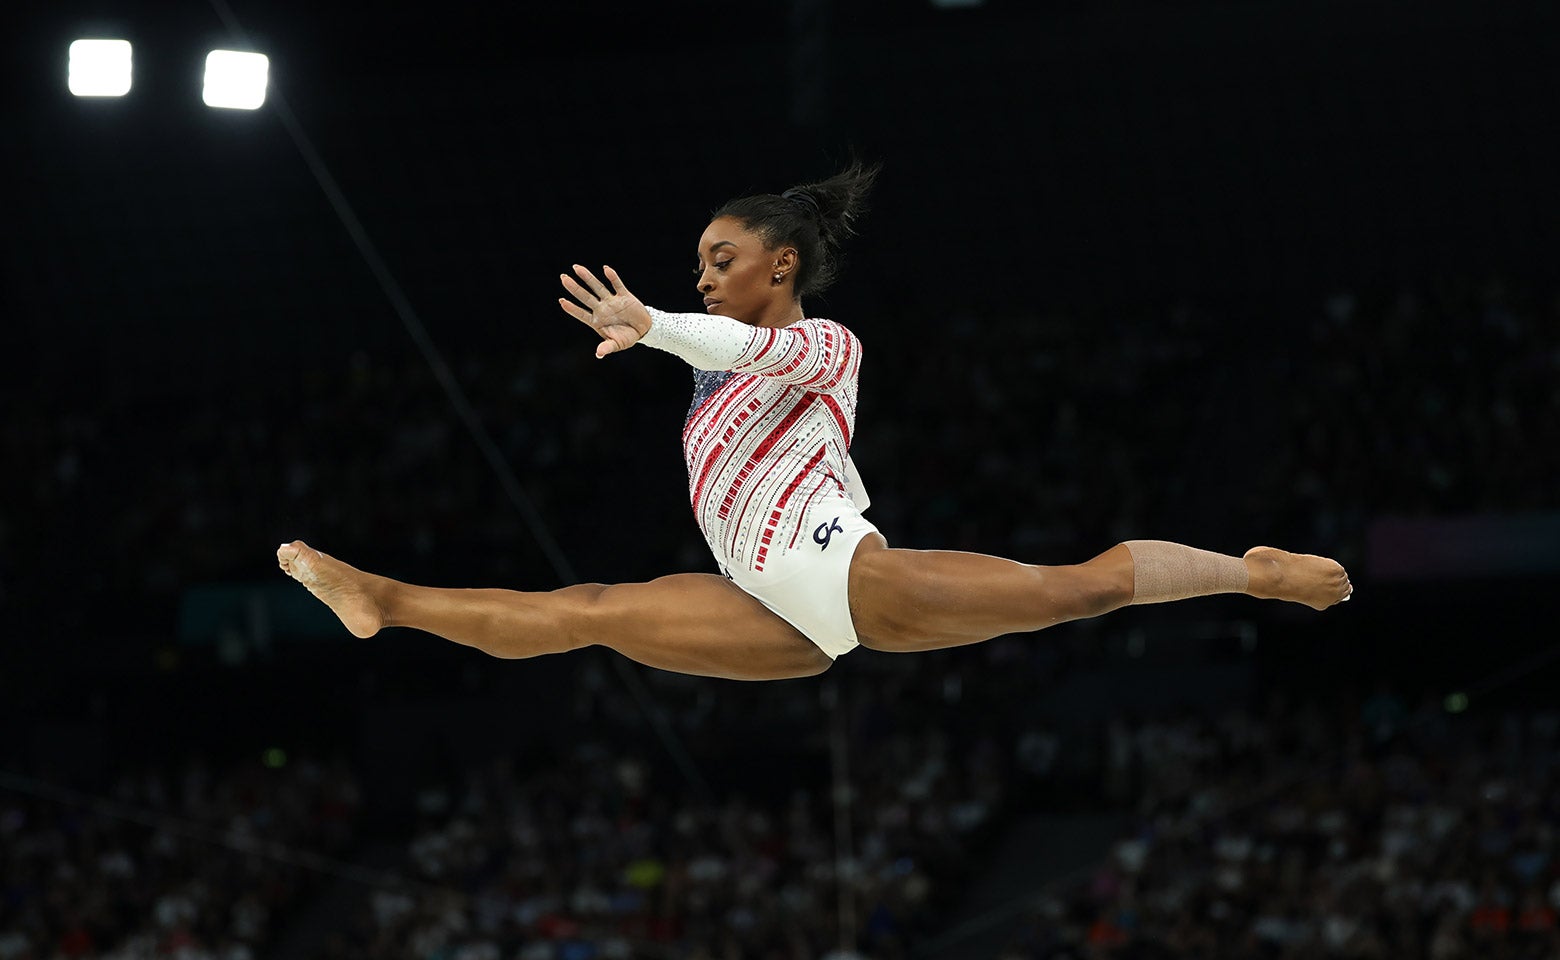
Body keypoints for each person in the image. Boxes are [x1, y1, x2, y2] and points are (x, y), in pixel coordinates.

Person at [276, 160, 1352, 682]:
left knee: (1072, 590)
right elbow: (721, 357)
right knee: (588, 608)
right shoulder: (710, 373)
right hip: (773, 615)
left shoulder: (823, 346)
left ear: (780, 264)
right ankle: (384, 599)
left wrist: (650, 323)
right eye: (697, 264)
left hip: (846, 574)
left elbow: (752, 348)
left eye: (721, 259)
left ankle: (1252, 570)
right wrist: (667, 332)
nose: (703, 278)